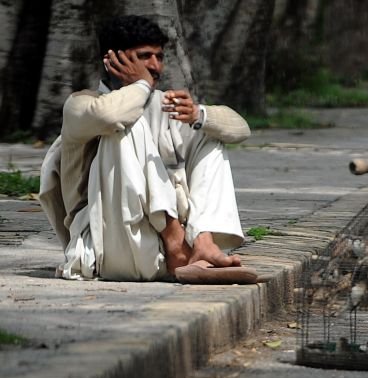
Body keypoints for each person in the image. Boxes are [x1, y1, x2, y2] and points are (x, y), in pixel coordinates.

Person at [39, 15, 256, 283]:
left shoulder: (163, 105)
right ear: (113, 60)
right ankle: (178, 246)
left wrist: (198, 114)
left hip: (157, 253)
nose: (155, 67)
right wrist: (140, 84)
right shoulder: (81, 106)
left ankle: (203, 243)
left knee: (208, 136)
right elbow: (112, 116)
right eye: (144, 56)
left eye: (159, 56)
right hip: (110, 245)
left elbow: (240, 129)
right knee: (125, 127)